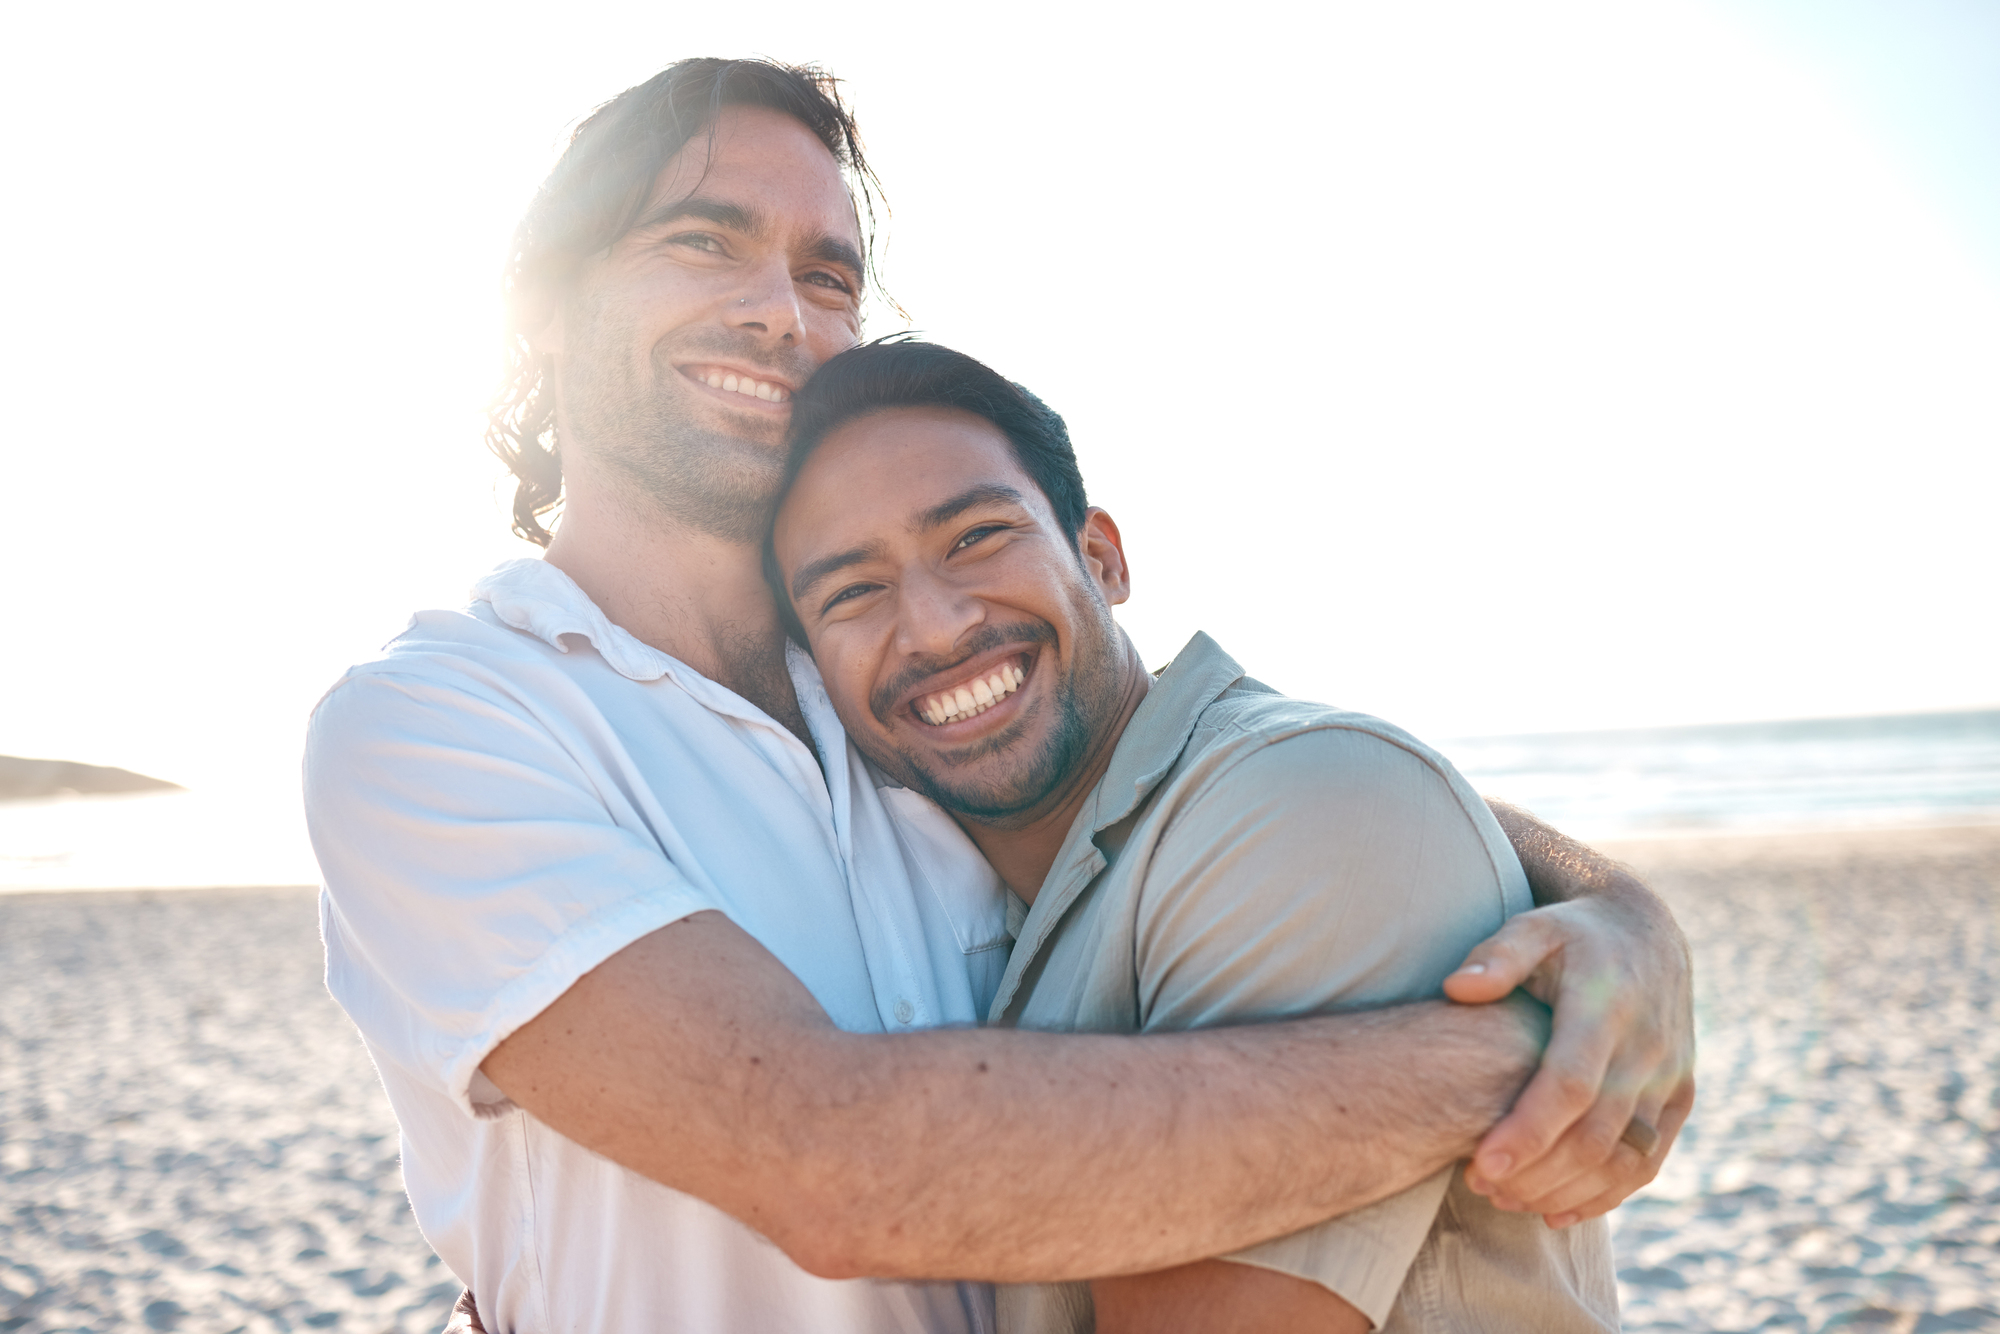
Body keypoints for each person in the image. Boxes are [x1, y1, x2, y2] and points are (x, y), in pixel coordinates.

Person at [303, 57, 1693, 1332]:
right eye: (703, 239)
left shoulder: (890, 692)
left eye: (828, 274)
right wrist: (1506, 1060)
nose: (779, 310)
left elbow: (1222, 791)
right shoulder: (445, 725)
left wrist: (1618, 911)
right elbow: (832, 1164)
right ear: (541, 308)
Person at [767, 339, 1643, 1331]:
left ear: (1099, 558)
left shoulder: (1300, 805)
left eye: (974, 536)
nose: (929, 626)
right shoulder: (1003, 891)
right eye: (851, 590)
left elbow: (1348, 788)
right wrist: (1620, 903)